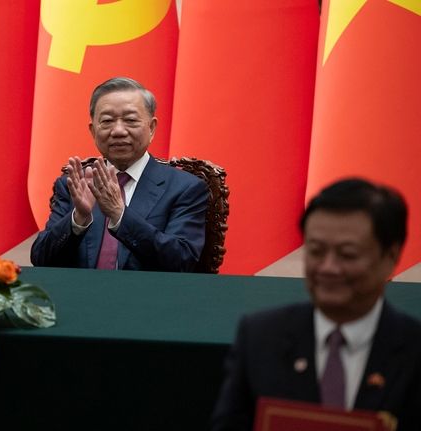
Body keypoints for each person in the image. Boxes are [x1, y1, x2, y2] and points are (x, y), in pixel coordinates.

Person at [211, 178, 421, 431]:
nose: (328, 268)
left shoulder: (413, 348)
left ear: (390, 256)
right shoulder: (261, 338)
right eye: (316, 251)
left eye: (347, 254)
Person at [30, 77, 208, 271]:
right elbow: (41, 259)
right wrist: (78, 218)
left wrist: (119, 214)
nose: (118, 131)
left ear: (151, 128)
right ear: (93, 130)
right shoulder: (73, 185)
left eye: (130, 120)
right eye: (107, 121)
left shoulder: (185, 188)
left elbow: (182, 261)